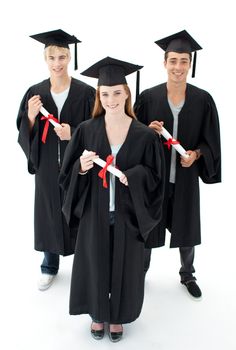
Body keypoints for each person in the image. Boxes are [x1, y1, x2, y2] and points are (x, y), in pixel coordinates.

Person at [59, 56, 165, 341]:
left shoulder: (144, 136)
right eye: (105, 94)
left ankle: (118, 315)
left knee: (126, 266)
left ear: (127, 92)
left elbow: (156, 178)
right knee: (94, 261)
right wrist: (81, 167)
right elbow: (67, 174)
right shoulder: (86, 130)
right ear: (99, 96)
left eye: (117, 92)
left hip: (128, 213)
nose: (111, 99)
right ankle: (97, 313)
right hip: (95, 210)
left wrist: (137, 175)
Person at [134, 30, 221, 299]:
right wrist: (148, 130)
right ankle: (140, 272)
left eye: (184, 61)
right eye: (173, 61)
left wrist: (195, 154)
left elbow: (211, 141)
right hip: (155, 178)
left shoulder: (203, 99)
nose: (178, 67)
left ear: (190, 63)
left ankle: (187, 274)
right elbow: (131, 134)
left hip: (185, 179)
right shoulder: (149, 97)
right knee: (147, 225)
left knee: (187, 227)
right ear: (164, 63)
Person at [16, 29, 95, 291]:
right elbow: (23, 131)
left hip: (77, 167)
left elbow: (98, 128)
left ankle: (84, 267)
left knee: (81, 212)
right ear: (45, 59)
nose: (57, 63)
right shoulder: (35, 93)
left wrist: (72, 133)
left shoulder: (85, 93)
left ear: (69, 57)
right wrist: (30, 116)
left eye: (62, 56)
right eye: (52, 57)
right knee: (49, 212)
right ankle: (49, 266)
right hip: (48, 167)